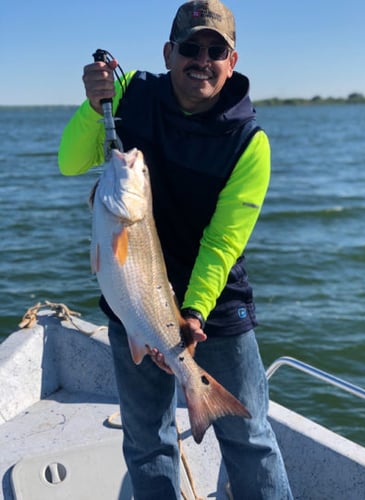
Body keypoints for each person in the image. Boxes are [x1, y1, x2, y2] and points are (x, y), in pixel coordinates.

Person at [59, 1, 293, 498]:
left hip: (213, 310)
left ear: (233, 61)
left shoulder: (249, 141)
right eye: (190, 47)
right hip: (134, 303)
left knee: (250, 438)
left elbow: (223, 242)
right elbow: (70, 161)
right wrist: (92, 101)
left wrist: (192, 313)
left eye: (216, 49)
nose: (201, 59)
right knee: (146, 439)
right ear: (168, 53)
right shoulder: (129, 95)